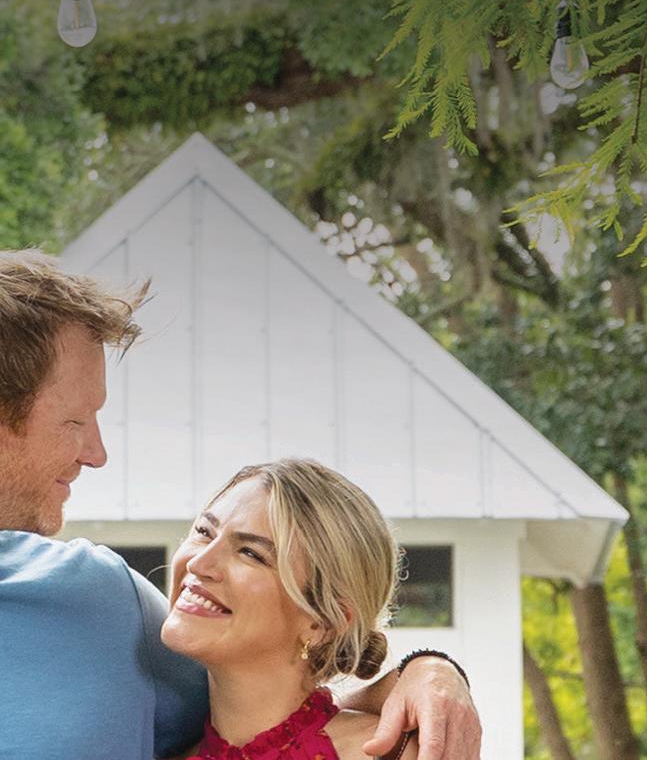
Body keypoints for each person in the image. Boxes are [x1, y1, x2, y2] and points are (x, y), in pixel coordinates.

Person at [0, 249, 481, 759]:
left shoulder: (98, 601)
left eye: (251, 551)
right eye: (74, 421)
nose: (96, 454)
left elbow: (268, 700)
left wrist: (427, 673)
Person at [161, 457, 417, 760]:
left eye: (251, 553)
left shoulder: (386, 752)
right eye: (205, 532)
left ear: (322, 623)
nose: (198, 563)